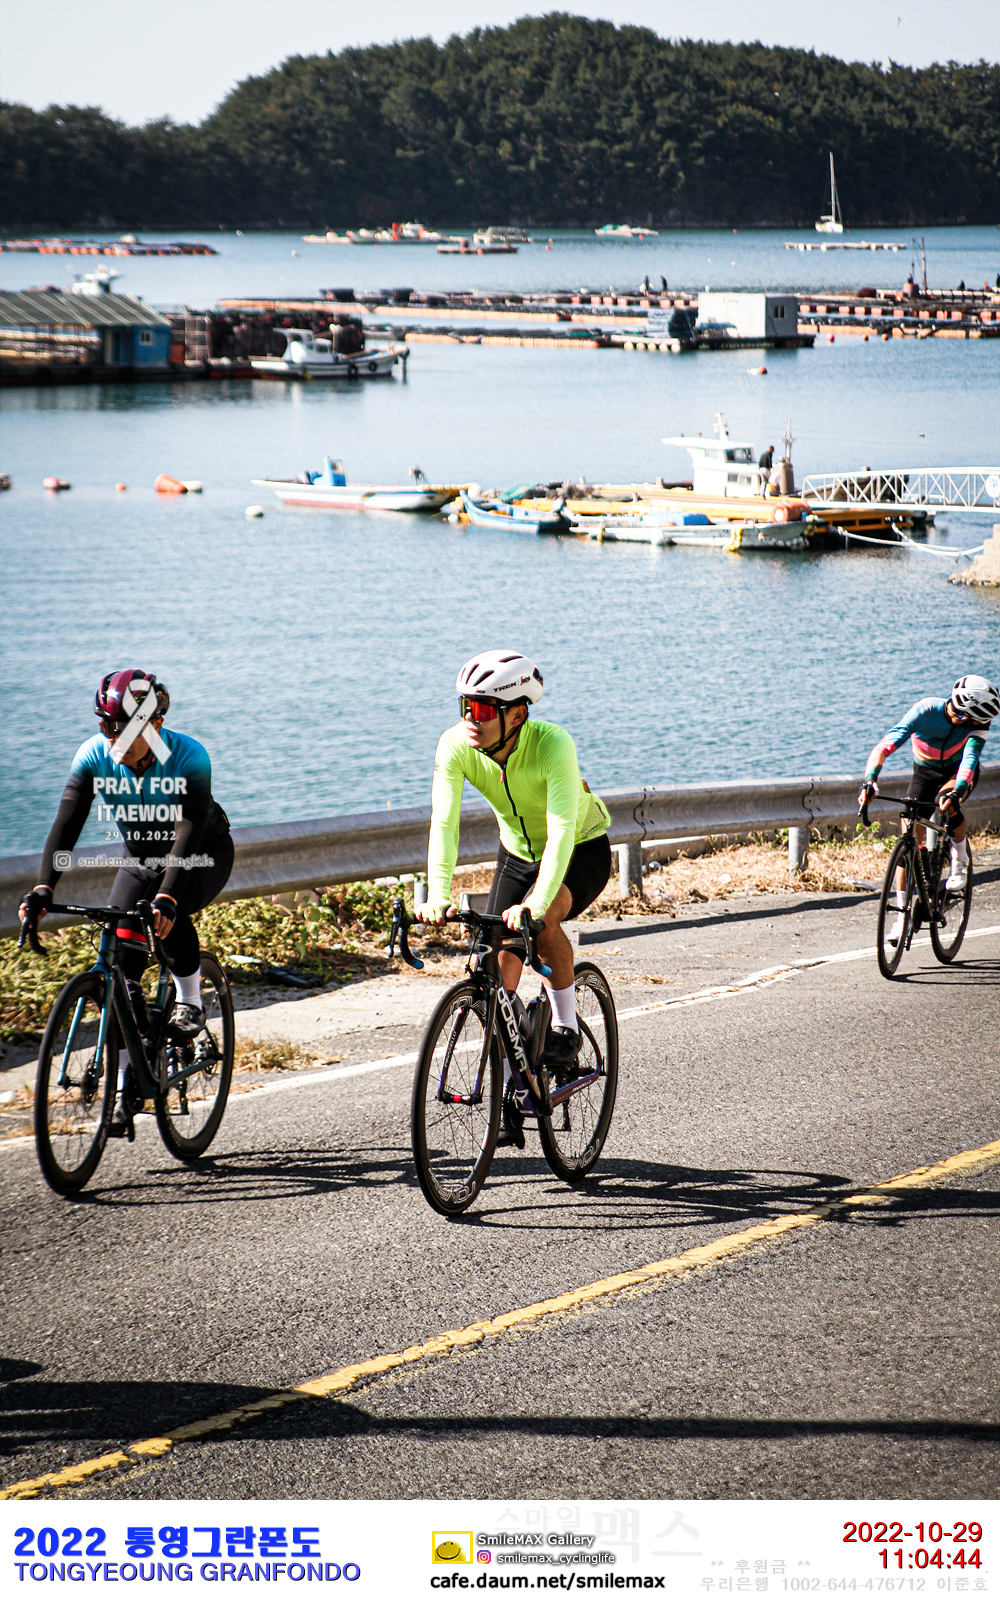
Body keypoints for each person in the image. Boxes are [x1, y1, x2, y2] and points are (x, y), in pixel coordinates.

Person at [19, 670, 234, 1135]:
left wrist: (168, 897)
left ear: (154, 724)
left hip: (201, 852)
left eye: (123, 727)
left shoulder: (188, 756)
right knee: (122, 976)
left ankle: (190, 999)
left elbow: (188, 829)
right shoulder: (93, 755)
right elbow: (68, 822)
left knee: (165, 912)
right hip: (139, 859)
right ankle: (124, 1086)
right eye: (105, 725)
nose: (111, 736)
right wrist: (43, 888)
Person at [416, 650, 612, 1079]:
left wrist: (536, 905)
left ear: (517, 715)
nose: (471, 718)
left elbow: (561, 830)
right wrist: (438, 895)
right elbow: (444, 824)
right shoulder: (456, 744)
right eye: (466, 705)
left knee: (541, 925)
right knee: (491, 970)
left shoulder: (552, 744)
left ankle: (564, 1025)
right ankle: (512, 1085)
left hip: (579, 849)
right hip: (517, 854)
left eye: (484, 709)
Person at [858, 675, 998, 943]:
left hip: (957, 774)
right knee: (908, 835)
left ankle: (959, 859)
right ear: (963, 713)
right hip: (924, 772)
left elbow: (970, 759)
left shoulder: (980, 721)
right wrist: (870, 781)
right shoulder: (925, 711)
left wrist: (957, 791)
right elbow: (884, 746)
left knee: (947, 803)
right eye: (972, 720)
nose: (977, 724)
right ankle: (901, 918)